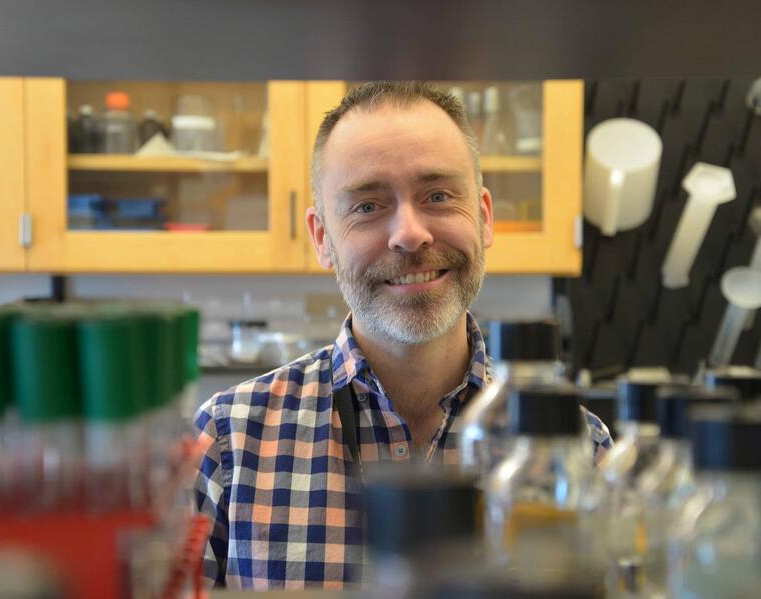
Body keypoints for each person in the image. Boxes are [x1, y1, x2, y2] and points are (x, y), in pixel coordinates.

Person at [193, 81, 612, 590]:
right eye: (367, 206)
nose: (409, 233)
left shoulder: (571, 446)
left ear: (483, 218)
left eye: (437, 195)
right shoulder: (229, 440)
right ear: (322, 238)